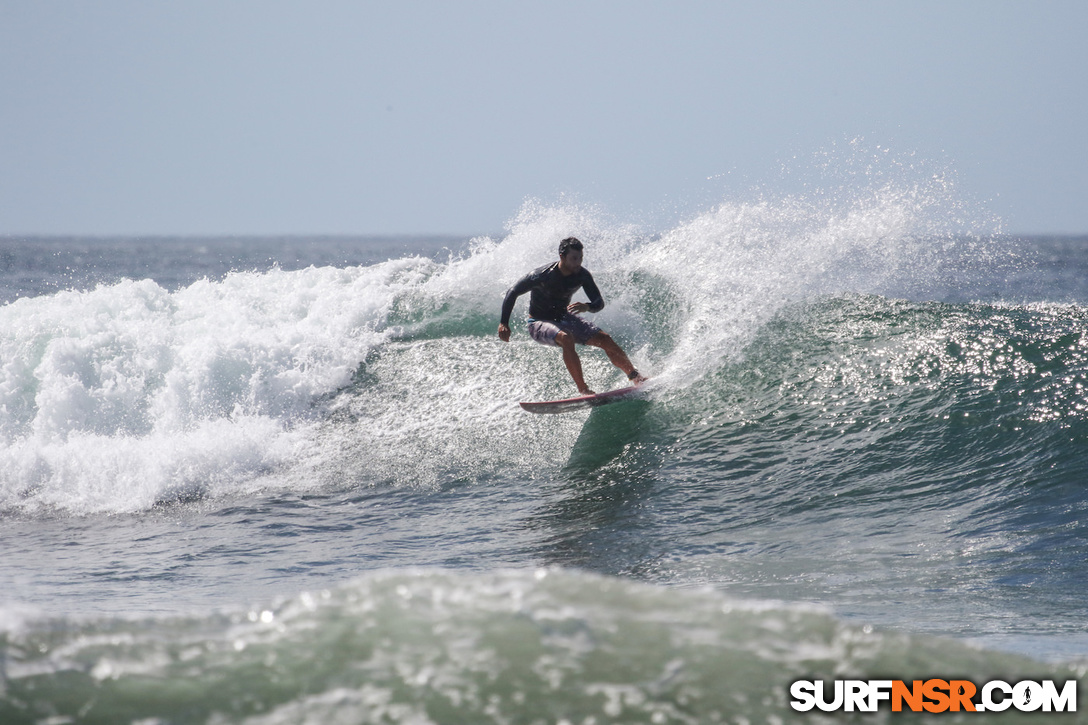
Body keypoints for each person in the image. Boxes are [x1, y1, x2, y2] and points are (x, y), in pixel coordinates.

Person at [498, 237, 647, 395]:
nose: (578, 262)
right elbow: (512, 292)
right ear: (562, 256)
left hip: (564, 317)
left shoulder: (582, 276)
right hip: (539, 322)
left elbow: (599, 302)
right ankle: (583, 389)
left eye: (580, 258)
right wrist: (504, 323)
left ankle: (636, 377)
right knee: (565, 337)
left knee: (605, 339)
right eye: (574, 258)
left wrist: (587, 306)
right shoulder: (542, 275)